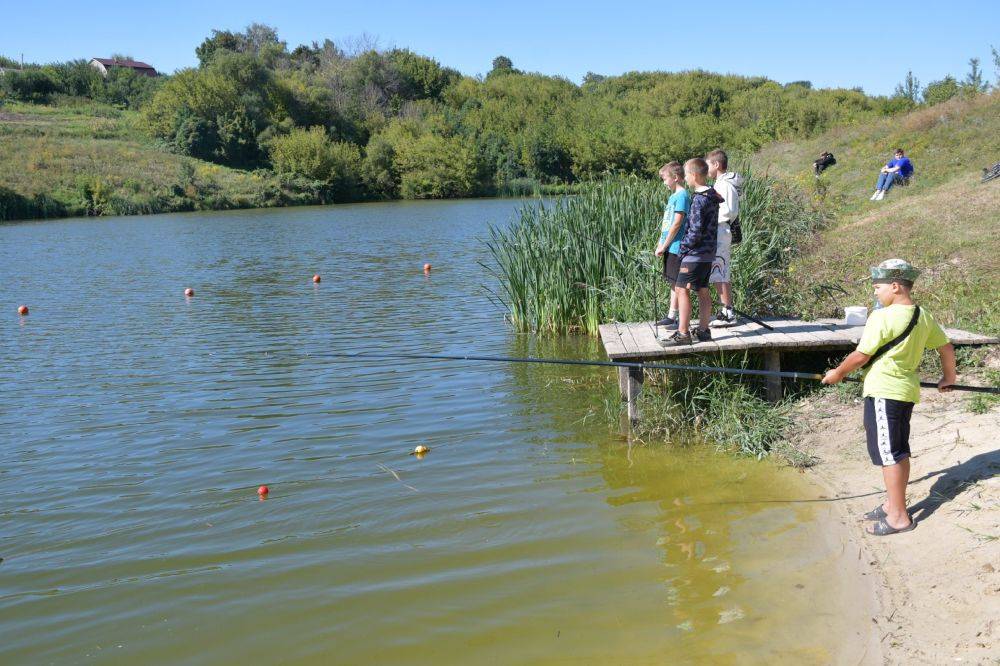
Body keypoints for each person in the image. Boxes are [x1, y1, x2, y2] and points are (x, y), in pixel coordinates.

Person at [821, 259, 956, 536]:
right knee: (897, 449)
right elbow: (945, 347)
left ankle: (898, 517)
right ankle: (891, 503)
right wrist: (948, 378)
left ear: (895, 286)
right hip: (904, 392)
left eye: (878, 287)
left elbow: (862, 355)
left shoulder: (881, 317)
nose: (875, 292)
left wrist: (837, 373)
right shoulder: (922, 314)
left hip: (883, 392)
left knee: (890, 454)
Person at [660, 158, 724, 347]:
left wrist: (683, 249)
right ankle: (703, 330)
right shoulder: (712, 196)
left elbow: (694, 231)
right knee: (703, 290)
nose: (685, 178)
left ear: (694, 175)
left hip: (695, 253)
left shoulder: (698, 200)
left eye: (687, 174)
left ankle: (683, 333)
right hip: (708, 253)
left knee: (681, 289)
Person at [705, 149, 743, 328]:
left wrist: (709, 219)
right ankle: (726, 310)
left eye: (708, 165)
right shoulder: (721, 183)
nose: (706, 169)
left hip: (720, 230)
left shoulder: (724, 185)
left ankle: (728, 312)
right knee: (719, 270)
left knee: (720, 269)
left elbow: (728, 211)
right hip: (719, 231)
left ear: (716, 165)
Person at [653, 161, 691, 330]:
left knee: (677, 282)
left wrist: (665, 245)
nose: (664, 183)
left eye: (665, 179)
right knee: (672, 281)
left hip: (676, 247)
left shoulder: (682, 195)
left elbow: (677, 224)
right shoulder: (673, 196)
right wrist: (660, 244)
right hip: (669, 246)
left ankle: (676, 319)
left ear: (675, 178)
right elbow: (667, 224)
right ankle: (671, 316)